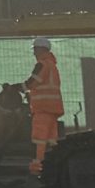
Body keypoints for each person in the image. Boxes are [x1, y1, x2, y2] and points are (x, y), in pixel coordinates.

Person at [23, 37, 64, 175]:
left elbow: (32, 83)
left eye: (35, 49)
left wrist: (15, 88)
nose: (34, 53)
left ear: (41, 50)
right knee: (51, 140)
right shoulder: (53, 66)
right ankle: (53, 169)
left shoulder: (42, 65)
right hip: (52, 109)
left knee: (38, 140)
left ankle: (37, 170)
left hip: (42, 109)